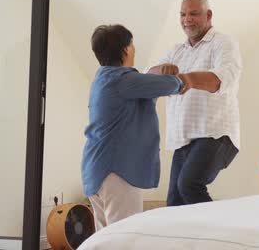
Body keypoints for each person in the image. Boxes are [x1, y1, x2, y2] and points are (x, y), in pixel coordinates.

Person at [81, 24, 211, 230]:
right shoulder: (123, 80)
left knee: (106, 239)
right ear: (125, 49)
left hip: (96, 170)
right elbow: (171, 85)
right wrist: (183, 79)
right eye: (131, 44)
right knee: (125, 237)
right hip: (116, 172)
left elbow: (146, 84)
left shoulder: (102, 79)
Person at [148, 0, 243, 206]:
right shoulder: (176, 51)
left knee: (189, 185)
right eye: (182, 15)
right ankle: (188, 239)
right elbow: (148, 75)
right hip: (183, 140)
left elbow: (222, 79)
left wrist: (187, 79)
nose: (187, 20)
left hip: (216, 134)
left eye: (193, 14)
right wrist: (161, 70)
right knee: (174, 203)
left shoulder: (224, 43)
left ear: (208, 15)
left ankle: (222, 232)